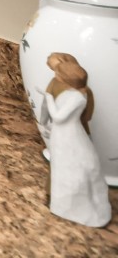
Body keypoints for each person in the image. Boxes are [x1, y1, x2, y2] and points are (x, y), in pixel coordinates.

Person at [44, 53, 111, 228]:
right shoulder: (72, 92)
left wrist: (49, 98)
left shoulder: (78, 97)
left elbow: (59, 116)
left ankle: (73, 207)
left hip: (68, 134)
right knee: (63, 167)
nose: (55, 76)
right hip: (62, 133)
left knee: (71, 167)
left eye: (58, 73)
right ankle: (61, 203)